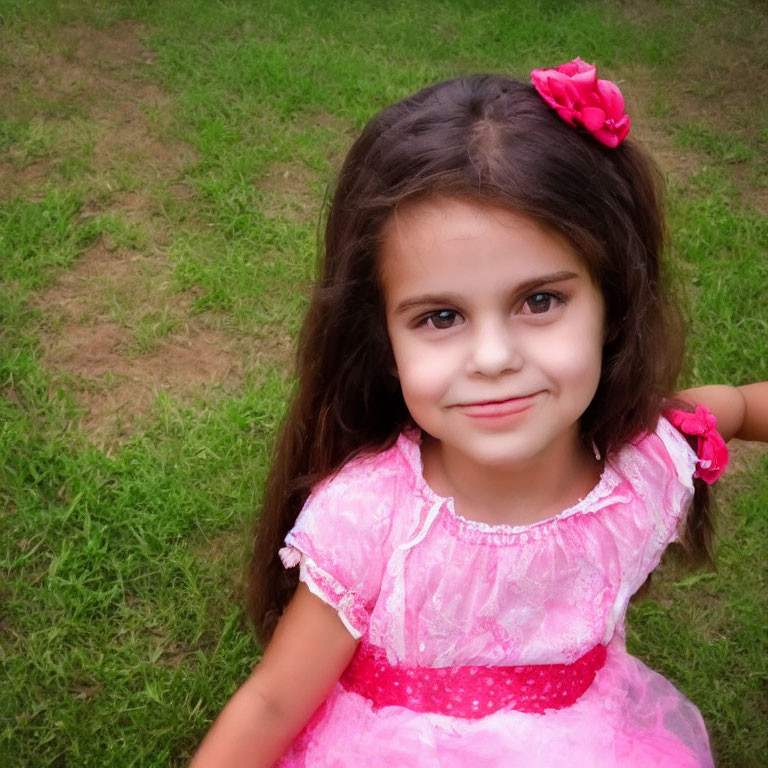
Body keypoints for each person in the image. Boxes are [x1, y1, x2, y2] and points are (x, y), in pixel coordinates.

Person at [190, 58, 768, 767]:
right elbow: (275, 701)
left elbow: (735, 407)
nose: (493, 357)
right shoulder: (369, 518)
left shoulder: (648, 457)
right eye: (440, 316)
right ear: (385, 339)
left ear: (612, 302)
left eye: (540, 301)